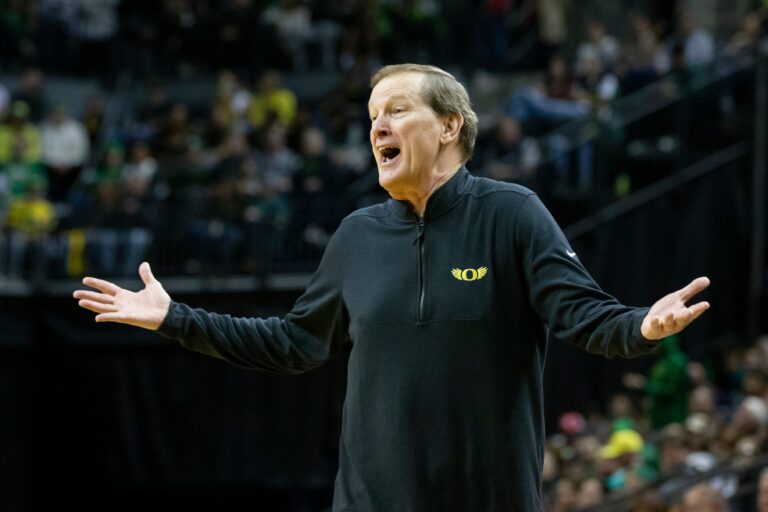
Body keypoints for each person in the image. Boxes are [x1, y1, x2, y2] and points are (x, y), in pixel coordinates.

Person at [74, 63, 711, 511]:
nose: (378, 126)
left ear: (450, 126)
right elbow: (294, 342)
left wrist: (641, 326)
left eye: (397, 110)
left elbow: (582, 313)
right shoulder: (356, 236)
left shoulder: (512, 213)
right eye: (373, 115)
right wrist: (175, 318)